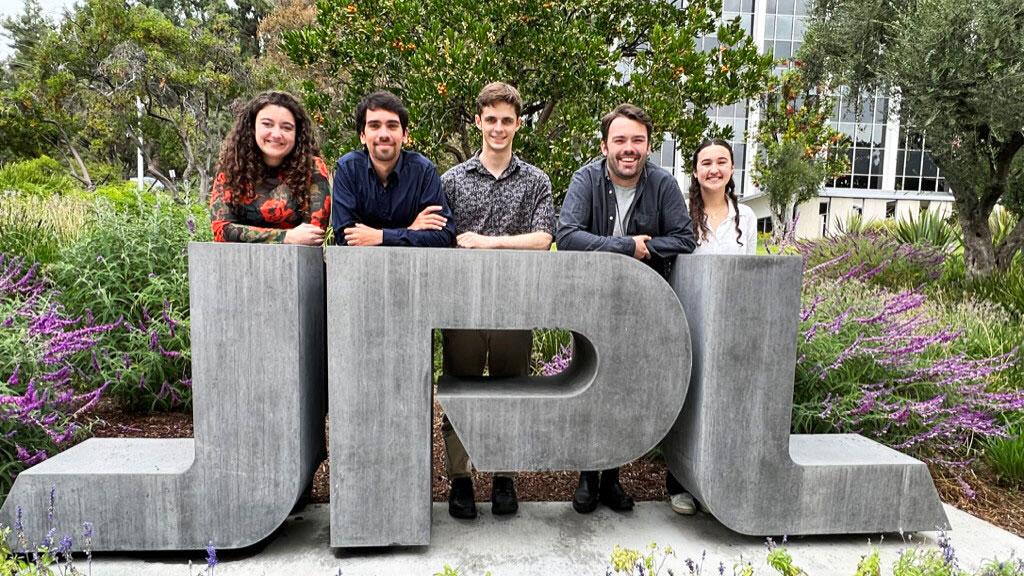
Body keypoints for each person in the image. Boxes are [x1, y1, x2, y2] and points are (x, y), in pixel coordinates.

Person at [556, 103, 696, 514]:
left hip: (642, 305)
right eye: (620, 140)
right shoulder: (586, 179)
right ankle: (587, 475)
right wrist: (626, 245)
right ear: (605, 146)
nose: (628, 148)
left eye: (637, 140)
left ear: (648, 145)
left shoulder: (662, 184)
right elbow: (567, 235)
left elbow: (684, 239)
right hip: (591, 303)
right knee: (589, 386)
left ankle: (613, 477)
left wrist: (646, 247)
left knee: (624, 390)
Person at [439, 82, 556, 519]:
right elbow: (444, 240)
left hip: (515, 307)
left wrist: (486, 243)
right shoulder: (451, 181)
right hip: (463, 307)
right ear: (478, 122)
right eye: (491, 119)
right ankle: (461, 481)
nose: (499, 128)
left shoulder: (536, 181)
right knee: (459, 390)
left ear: (518, 125)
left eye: (507, 120)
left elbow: (543, 239)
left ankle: (505, 480)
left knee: (513, 392)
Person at [331, 90, 455, 247]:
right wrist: (410, 230)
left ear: (404, 134)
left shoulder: (423, 171)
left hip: (414, 269)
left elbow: (443, 235)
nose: (384, 134)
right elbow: (346, 236)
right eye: (374, 126)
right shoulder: (348, 169)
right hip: (361, 268)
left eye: (392, 126)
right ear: (362, 135)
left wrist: (381, 237)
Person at [209, 91, 331, 244]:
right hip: (238, 262)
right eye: (267, 124)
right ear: (252, 128)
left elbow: (314, 234)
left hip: (297, 263)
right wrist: (285, 237)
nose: (276, 134)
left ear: (298, 134)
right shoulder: (233, 168)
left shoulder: (313, 169)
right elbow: (221, 230)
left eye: (286, 127)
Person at [689, 138, 757, 256]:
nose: (714, 170)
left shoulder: (746, 216)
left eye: (721, 162)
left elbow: (749, 268)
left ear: (732, 168)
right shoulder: (681, 212)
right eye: (706, 163)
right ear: (695, 171)